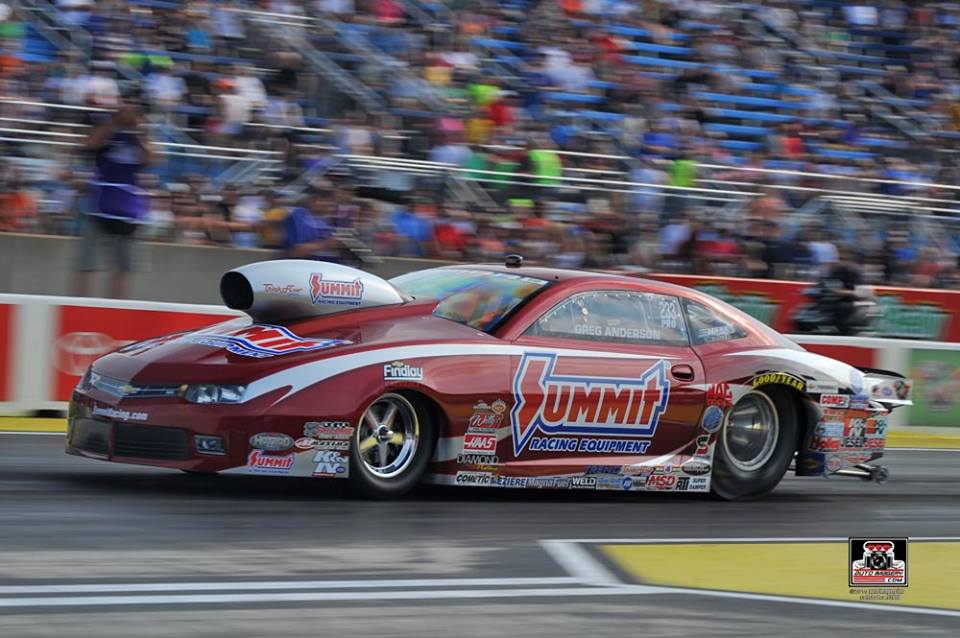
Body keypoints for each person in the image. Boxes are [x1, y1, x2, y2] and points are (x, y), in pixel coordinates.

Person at [75, 98, 154, 299]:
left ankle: (118, 307)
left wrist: (139, 131)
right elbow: (90, 144)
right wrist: (114, 122)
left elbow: (152, 159)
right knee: (88, 264)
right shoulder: (107, 132)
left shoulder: (138, 138)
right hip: (101, 207)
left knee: (124, 267)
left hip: (129, 211)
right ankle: (81, 304)